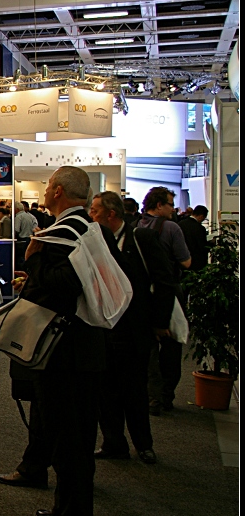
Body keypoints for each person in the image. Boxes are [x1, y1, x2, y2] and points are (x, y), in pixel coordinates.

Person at [0, 166, 119, 516]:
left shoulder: (66, 234)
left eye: (51, 186)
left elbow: (63, 287)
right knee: (72, 438)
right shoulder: (91, 230)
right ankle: (63, 508)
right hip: (83, 351)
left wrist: (33, 260)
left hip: (66, 355)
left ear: (58, 192)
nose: (48, 191)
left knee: (71, 445)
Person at [90, 191, 178, 465]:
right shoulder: (96, 242)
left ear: (110, 214)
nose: (91, 215)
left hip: (134, 329)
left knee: (135, 390)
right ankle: (113, 442)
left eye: (94, 211)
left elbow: (165, 281)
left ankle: (144, 444)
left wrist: (160, 323)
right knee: (106, 391)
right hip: (105, 328)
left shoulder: (142, 239)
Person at [138, 187, 191, 414]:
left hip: (142, 293)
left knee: (147, 348)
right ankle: (165, 396)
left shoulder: (135, 228)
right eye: (170, 204)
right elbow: (186, 262)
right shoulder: (171, 228)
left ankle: (151, 395)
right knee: (171, 347)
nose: (173, 208)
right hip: (168, 292)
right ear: (159, 205)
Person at [178, 205, 210, 271]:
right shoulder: (200, 228)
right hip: (197, 262)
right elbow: (202, 246)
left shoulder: (180, 224)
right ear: (201, 216)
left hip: (182, 260)